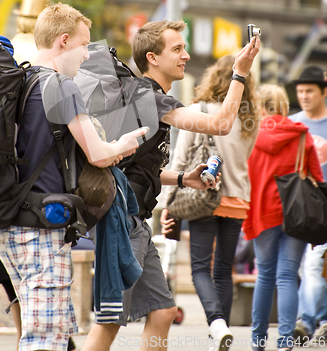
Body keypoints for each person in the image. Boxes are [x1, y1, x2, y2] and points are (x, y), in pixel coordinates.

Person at [82, 20, 260, 351]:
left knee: (164, 311)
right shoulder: (152, 99)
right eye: (177, 49)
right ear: (152, 57)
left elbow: (132, 165)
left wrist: (182, 178)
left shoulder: (142, 98)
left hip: (132, 219)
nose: (186, 55)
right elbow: (220, 125)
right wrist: (240, 73)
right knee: (109, 322)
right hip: (121, 220)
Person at [0, 3, 147, 351]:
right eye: (84, 44)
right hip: (41, 229)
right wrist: (123, 144)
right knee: (45, 338)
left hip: (8, 223)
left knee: (43, 330)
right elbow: (97, 153)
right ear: (64, 41)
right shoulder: (62, 86)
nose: (86, 55)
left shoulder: (23, 80)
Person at [160, 54, 259, 351]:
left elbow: (179, 159)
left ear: (213, 78)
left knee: (200, 268)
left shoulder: (198, 111)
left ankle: (216, 323)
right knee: (223, 269)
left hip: (202, 195)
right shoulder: (250, 119)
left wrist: (167, 203)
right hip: (238, 199)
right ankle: (221, 332)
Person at [242, 84, 323, 351]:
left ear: (260, 106)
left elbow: (243, 178)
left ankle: (258, 341)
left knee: (264, 275)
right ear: (284, 107)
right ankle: (286, 341)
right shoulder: (302, 136)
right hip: (296, 215)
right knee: (287, 275)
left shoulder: (250, 136)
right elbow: (317, 179)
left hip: (262, 213)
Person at [288, 66, 327, 345]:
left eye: (309, 91)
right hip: (301, 208)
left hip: (325, 204)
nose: (304, 96)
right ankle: (319, 321)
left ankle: (306, 321)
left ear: (323, 92)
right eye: (300, 91)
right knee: (306, 267)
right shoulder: (292, 124)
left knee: (314, 266)